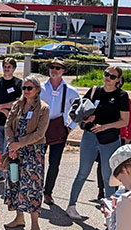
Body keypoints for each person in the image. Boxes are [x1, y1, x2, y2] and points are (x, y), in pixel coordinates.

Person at [66, 66, 130, 220]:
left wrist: (104, 127)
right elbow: (81, 111)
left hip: (109, 139)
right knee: (83, 172)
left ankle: (111, 212)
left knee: (108, 176)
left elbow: (124, 121)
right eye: (107, 74)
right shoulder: (95, 91)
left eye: (112, 76)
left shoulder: (121, 95)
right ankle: (71, 206)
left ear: (118, 80)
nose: (108, 78)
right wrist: (86, 118)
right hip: (89, 136)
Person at [2, 75, 50, 230]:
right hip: (16, 150)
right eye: (24, 88)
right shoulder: (17, 105)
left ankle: (35, 225)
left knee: (32, 187)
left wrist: (19, 143)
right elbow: (7, 125)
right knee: (15, 182)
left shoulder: (43, 109)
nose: (26, 91)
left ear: (37, 90)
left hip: (33, 153)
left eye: (29, 88)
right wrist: (11, 144)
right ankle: (18, 218)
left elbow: (39, 133)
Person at [41, 58, 79, 206]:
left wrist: (71, 127)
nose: (54, 70)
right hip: (41, 130)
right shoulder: (41, 87)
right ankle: (36, 189)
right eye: (52, 67)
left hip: (59, 130)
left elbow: (79, 111)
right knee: (38, 162)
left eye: (58, 68)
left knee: (54, 163)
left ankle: (48, 192)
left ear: (63, 71)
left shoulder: (71, 91)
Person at [0, 58, 23, 159]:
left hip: (12, 122)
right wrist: (3, 110)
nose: (7, 69)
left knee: (8, 148)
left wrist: (1, 106)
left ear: (14, 68)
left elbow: (17, 102)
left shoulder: (19, 84)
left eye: (9, 67)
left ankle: (7, 173)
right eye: (5, 67)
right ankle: (0, 173)